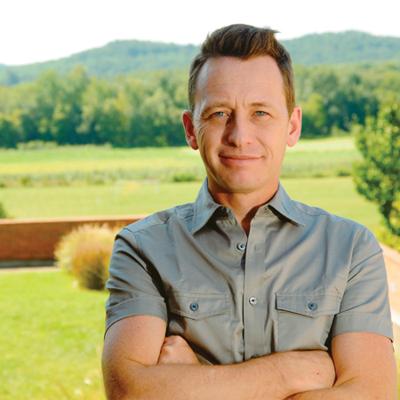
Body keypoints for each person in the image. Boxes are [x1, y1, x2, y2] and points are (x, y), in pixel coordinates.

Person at [102, 24, 397, 399]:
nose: (240, 136)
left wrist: (194, 382)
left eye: (260, 112)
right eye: (219, 114)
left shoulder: (351, 249)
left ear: (292, 126)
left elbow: (372, 394)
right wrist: (289, 374)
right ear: (191, 130)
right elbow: (131, 393)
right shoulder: (143, 249)